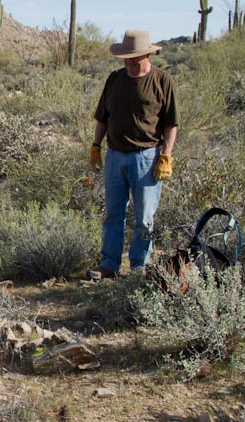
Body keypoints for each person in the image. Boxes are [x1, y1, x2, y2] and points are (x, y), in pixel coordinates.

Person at [86, 30, 179, 280]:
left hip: (146, 157)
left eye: (134, 58)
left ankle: (139, 266)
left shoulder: (162, 81)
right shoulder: (115, 79)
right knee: (113, 214)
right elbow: (102, 117)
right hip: (115, 156)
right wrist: (96, 145)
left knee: (144, 218)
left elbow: (171, 124)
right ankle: (109, 264)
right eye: (126, 58)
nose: (130, 63)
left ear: (147, 55)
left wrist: (166, 155)